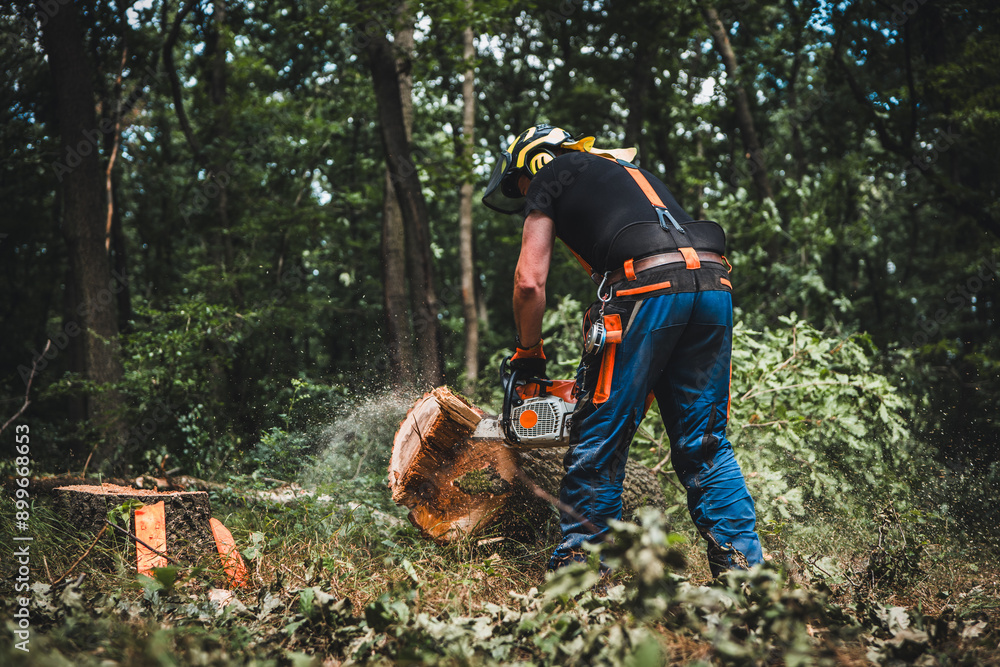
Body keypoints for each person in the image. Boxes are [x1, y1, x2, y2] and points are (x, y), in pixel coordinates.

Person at [482, 123, 764, 576]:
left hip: (644, 286)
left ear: (533, 162)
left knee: (598, 441)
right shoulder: (628, 172)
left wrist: (528, 353)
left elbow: (528, 281)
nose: (525, 194)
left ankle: (583, 575)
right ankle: (747, 579)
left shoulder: (550, 175)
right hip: (713, 284)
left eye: (520, 185)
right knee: (705, 445)